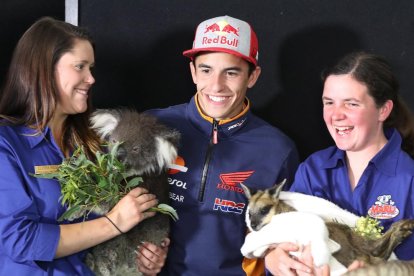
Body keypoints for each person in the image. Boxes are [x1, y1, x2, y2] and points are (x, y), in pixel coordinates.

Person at [135, 15, 299, 275]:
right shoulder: (151, 126)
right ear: (193, 72)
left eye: (231, 72)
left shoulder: (278, 150)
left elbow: (281, 238)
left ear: (252, 76)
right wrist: (138, 253)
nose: (216, 86)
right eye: (206, 70)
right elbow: (116, 208)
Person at [0, 17, 161, 275]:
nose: (91, 78)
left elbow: (103, 234)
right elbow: (20, 240)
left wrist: (140, 257)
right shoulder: (7, 145)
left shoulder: (93, 144)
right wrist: (114, 222)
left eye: (91, 67)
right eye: (80, 66)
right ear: (43, 69)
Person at [264, 51, 414, 275]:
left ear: (383, 110)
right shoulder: (312, 169)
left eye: (351, 104)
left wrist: (382, 271)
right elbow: (286, 234)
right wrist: (274, 259)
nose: (336, 115)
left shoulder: (409, 178)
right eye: (329, 102)